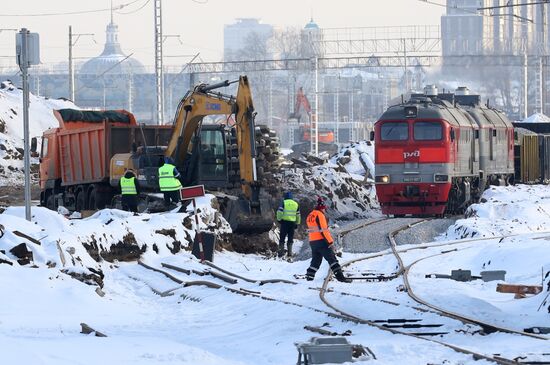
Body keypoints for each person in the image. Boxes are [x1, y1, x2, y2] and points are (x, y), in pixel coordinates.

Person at [305, 197, 351, 283]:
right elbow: (324, 231)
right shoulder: (320, 215)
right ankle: (341, 278)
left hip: (312, 242)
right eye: (324, 209)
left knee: (316, 261)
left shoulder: (310, 215)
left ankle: (309, 277)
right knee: (332, 259)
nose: (325, 211)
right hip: (321, 242)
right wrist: (330, 242)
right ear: (321, 208)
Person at [276, 191, 300, 258]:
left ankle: (281, 253)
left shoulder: (283, 202)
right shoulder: (296, 204)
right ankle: (289, 254)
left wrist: (279, 219)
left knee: (282, 238)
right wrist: (297, 223)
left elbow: (279, 212)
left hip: (284, 223)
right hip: (292, 223)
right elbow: (298, 215)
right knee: (290, 238)